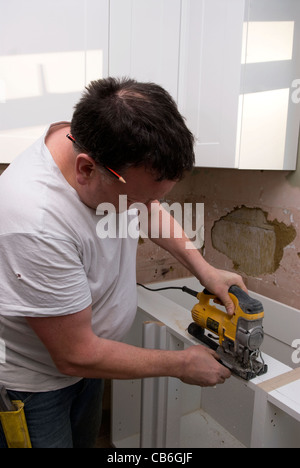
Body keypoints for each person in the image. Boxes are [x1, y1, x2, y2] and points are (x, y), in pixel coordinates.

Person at [0, 77, 246, 448]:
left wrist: (205, 269)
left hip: (92, 364)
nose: (141, 209)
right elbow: (74, 354)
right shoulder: (34, 225)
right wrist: (180, 364)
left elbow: (149, 206)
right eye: (135, 200)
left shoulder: (88, 137)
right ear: (86, 169)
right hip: (35, 384)